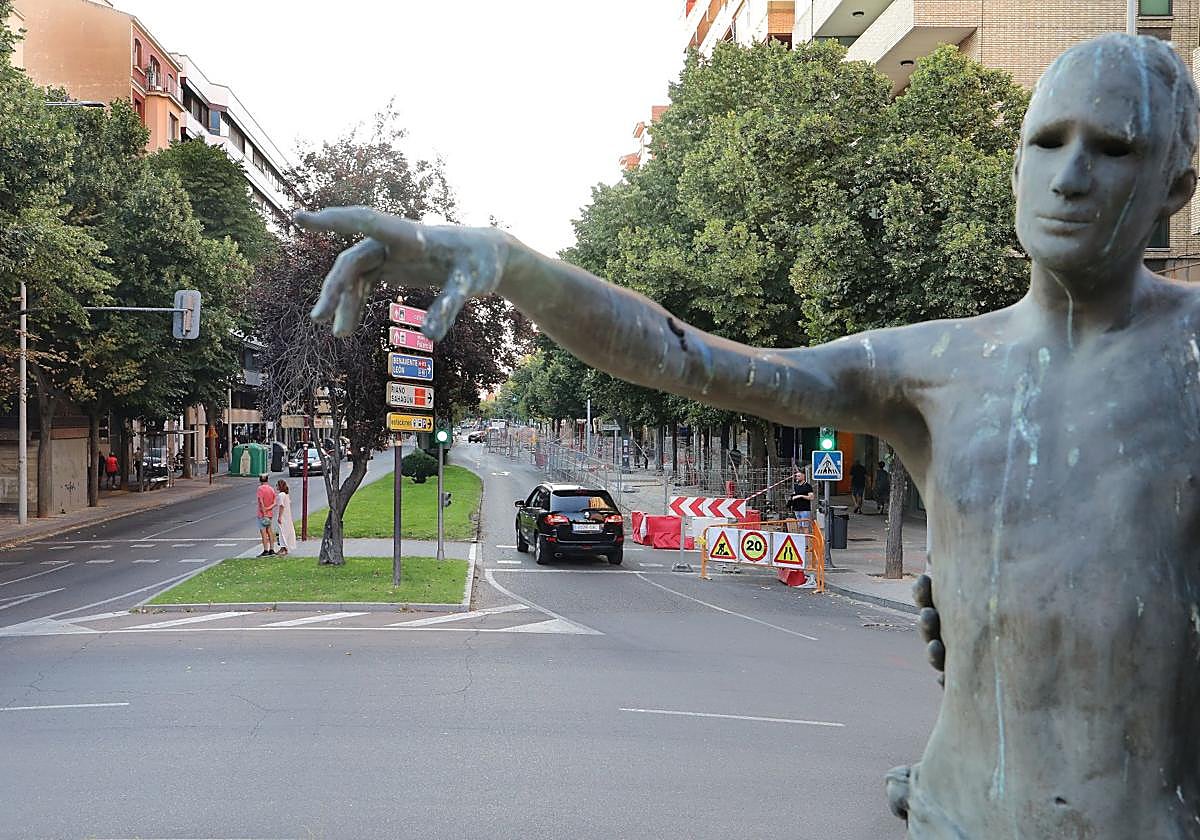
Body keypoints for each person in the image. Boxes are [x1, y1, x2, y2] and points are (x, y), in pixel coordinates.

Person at [298, 35, 1200, 837]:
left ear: (1175, 186)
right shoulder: (937, 367)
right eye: (1047, 142)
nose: (1071, 176)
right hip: (959, 811)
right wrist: (510, 262)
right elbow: (694, 361)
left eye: (1113, 148)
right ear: (1013, 167)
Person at [255, 473, 276, 557]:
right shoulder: (271, 489)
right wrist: (269, 508)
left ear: (260, 480)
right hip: (270, 513)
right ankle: (272, 549)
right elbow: (275, 502)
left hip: (262, 515)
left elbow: (261, 501)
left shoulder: (260, 489)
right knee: (270, 531)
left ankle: (265, 550)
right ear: (267, 480)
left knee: (263, 532)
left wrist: (264, 512)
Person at [274, 480, 296, 556]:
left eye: (277, 485)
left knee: (282, 531)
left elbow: (281, 506)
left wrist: (279, 516)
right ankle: (284, 547)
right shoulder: (286, 494)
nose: (276, 487)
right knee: (286, 530)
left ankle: (283, 547)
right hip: (288, 515)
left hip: (284, 516)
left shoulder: (281, 495)